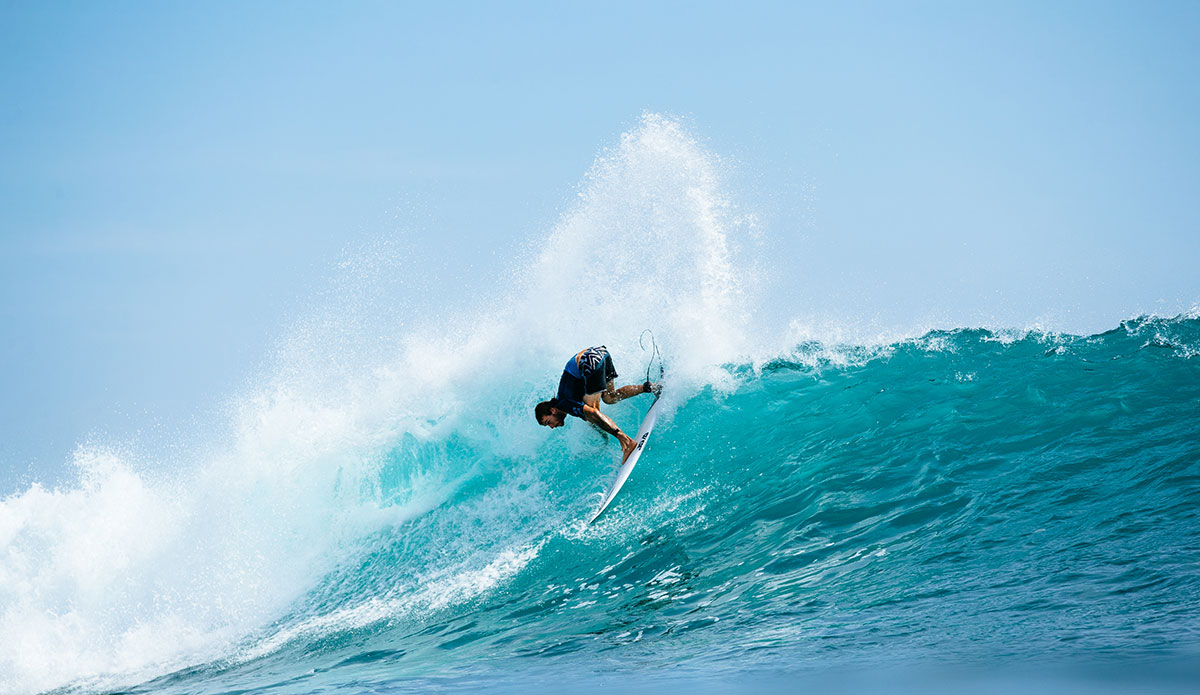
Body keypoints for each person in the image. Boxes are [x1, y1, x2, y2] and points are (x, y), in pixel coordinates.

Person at [535, 345, 659, 463]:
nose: (551, 426)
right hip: (600, 353)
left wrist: (617, 434)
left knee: (593, 413)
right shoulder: (566, 397)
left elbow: (594, 414)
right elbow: (592, 417)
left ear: (552, 410)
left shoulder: (564, 404)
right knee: (610, 397)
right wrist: (603, 433)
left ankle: (627, 441)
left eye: (548, 422)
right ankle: (651, 387)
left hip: (589, 362)